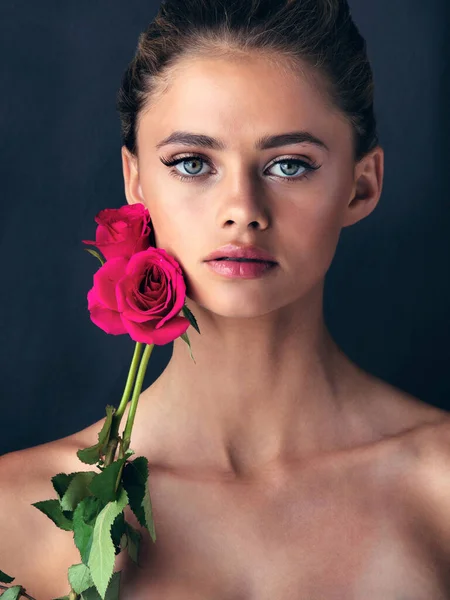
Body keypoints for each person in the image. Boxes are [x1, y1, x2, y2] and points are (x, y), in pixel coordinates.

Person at [1, 0, 450, 598]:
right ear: (135, 181)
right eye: (192, 163)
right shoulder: (13, 516)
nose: (242, 208)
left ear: (361, 184)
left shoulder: (440, 489)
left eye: (289, 165)